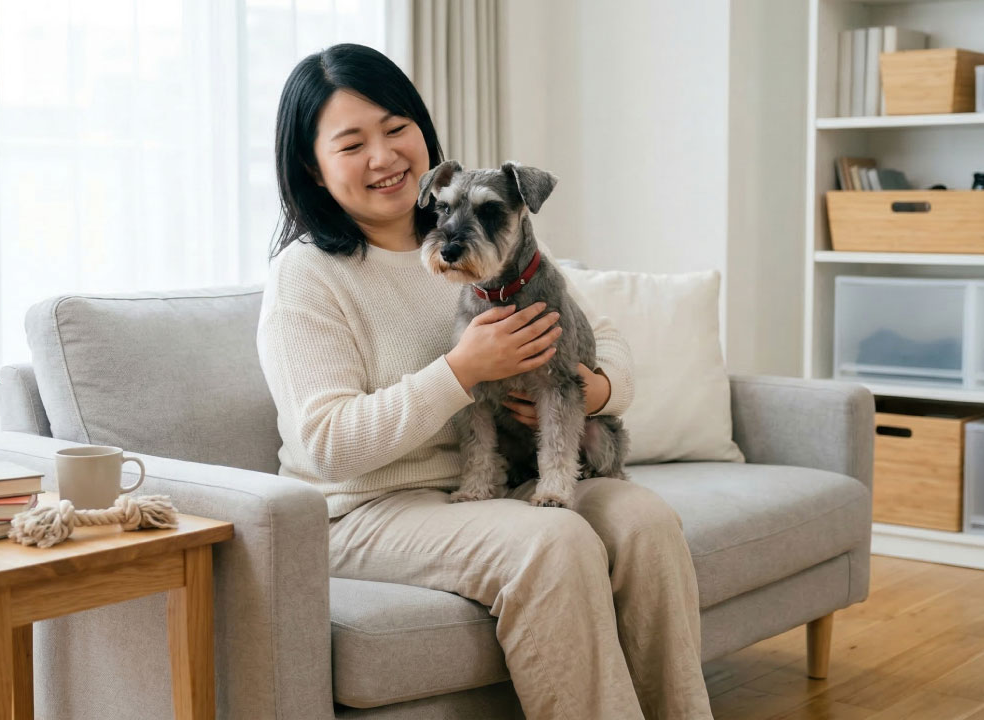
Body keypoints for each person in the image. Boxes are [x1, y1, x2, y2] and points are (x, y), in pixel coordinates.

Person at [259, 42, 713, 719]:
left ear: (422, 131)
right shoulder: (307, 277)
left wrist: (591, 393)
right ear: (312, 168)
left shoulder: (488, 232)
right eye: (351, 144)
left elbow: (602, 338)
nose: (383, 157)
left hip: (494, 482)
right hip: (366, 509)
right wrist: (461, 371)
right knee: (552, 546)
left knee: (644, 520)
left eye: (395, 128)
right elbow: (325, 444)